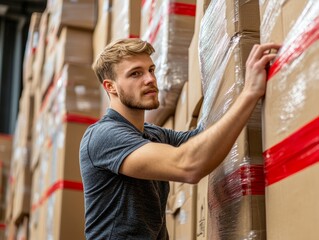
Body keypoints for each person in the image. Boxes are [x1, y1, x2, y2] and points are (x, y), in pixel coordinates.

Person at [79, 38, 280, 239]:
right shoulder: (103, 135)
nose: (150, 79)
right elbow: (188, 165)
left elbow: (206, 138)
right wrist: (250, 93)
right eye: (135, 73)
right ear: (111, 87)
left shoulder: (153, 135)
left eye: (151, 70)